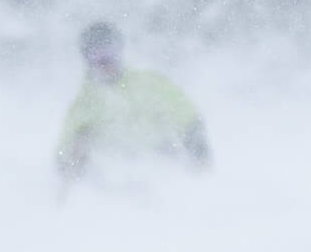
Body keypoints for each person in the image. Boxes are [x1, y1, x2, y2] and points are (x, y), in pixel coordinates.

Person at [55, 22, 210, 183]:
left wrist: (194, 137)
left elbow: (183, 111)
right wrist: (69, 159)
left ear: (119, 52)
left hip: (161, 159)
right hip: (117, 175)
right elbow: (64, 146)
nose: (104, 62)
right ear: (87, 60)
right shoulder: (84, 103)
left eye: (109, 53)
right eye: (96, 56)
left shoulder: (148, 83)